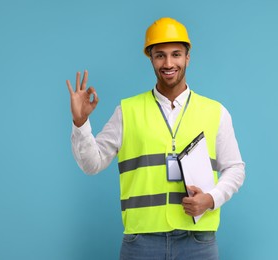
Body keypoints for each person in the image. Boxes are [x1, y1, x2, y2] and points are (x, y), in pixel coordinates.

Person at [66, 17, 245, 260]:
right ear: (150, 58)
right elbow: (91, 164)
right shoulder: (127, 111)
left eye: (176, 54)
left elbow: (235, 168)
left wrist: (211, 199)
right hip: (141, 241)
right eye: (160, 55)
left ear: (187, 57)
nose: (168, 63)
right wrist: (81, 123)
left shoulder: (216, 112)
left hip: (197, 240)